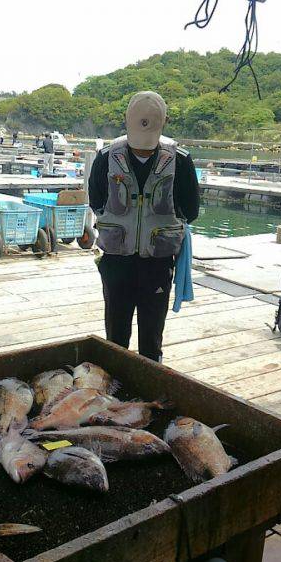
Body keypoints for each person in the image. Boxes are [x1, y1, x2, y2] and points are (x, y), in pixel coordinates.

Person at [89, 90, 199, 363]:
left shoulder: (181, 160)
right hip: (116, 262)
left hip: (157, 263)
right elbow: (96, 202)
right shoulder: (105, 157)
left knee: (151, 341)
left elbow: (190, 211)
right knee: (116, 339)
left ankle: (149, 395)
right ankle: (115, 393)